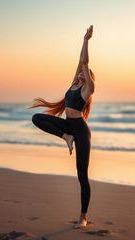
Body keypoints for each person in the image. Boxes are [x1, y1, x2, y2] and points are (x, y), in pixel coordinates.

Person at [28, 25, 95, 229]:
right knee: (37, 118)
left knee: (81, 175)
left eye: (85, 72)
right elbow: (80, 61)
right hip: (68, 126)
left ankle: (83, 216)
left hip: (81, 131)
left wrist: (87, 47)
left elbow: (84, 62)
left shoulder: (88, 89)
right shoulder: (73, 84)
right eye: (82, 72)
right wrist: (84, 39)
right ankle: (65, 137)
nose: (82, 72)